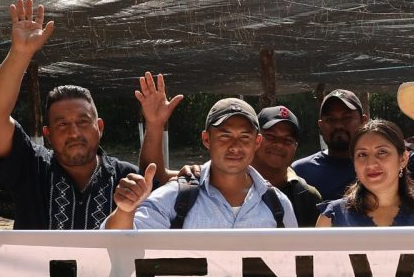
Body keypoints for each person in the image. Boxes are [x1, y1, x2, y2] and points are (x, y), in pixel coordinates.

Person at [0, 0, 153, 229]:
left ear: (99, 127)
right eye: (62, 124)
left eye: (83, 121)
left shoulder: (125, 178)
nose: (74, 132)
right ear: (47, 134)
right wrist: (19, 53)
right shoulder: (31, 167)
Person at [107, 98, 298, 229]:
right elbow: (119, 241)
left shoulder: (278, 205)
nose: (235, 147)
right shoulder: (175, 198)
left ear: (257, 142)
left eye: (245, 137)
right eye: (225, 136)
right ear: (207, 140)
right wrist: (125, 210)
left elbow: (296, 264)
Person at [293, 89, 414, 201]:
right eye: (330, 119)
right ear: (320, 125)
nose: (338, 125)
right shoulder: (301, 171)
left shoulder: (388, 160)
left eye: (347, 117)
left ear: (364, 120)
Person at [317, 120, 414, 227]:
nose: (371, 163)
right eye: (362, 154)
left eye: (382, 152)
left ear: (403, 159)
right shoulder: (331, 219)